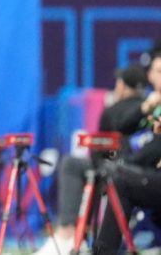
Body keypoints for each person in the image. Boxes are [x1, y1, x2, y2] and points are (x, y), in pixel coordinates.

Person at [32, 64, 149, 255]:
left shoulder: (114, 111)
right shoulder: (151, 108)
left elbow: (99, 153)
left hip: (122, 172)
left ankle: (68, 234)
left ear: (123, 86)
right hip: (141, 170)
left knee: (77, 166)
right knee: (98, 169)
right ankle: (75, 235)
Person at [92, 53, 161, 255]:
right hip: (145, 168)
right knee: (118, 175)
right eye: (154, 71)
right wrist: (145, 107)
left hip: (145, 170)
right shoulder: (150, 105)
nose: (154, 76)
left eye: (159, 72)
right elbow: (121, 127)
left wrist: (126, 164)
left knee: (120, 179)